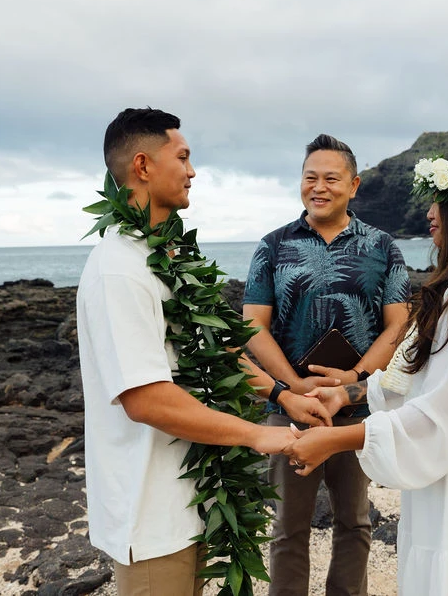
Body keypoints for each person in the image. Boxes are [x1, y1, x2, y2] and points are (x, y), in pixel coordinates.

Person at [77, 108, 333, 596]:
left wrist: (283, 397)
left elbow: (216, 353)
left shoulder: (168, 257)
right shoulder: (119, 269)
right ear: (143, 165)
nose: (193, 171)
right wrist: (262, 436)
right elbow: (146, 399)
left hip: (195, 499)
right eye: (183, 157)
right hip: (151, 514)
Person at [284, 148, 448, 595]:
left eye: (438, 202)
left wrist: (335, 440)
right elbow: (415, 379)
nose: (429, 213)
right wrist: (346, 395)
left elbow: (439, 410)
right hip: (446, 459)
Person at [242, 134, 411, 596]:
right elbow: (253, 323)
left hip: (358, 408)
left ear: (353, 185)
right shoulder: (273, 246)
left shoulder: (383, 247)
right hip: (288, 408)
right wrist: (292, 386)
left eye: (331, 178)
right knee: (288, 523)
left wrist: (356, 378)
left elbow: (398, 324)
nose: (318, 187)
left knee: (355, 521)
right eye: (309, 177)